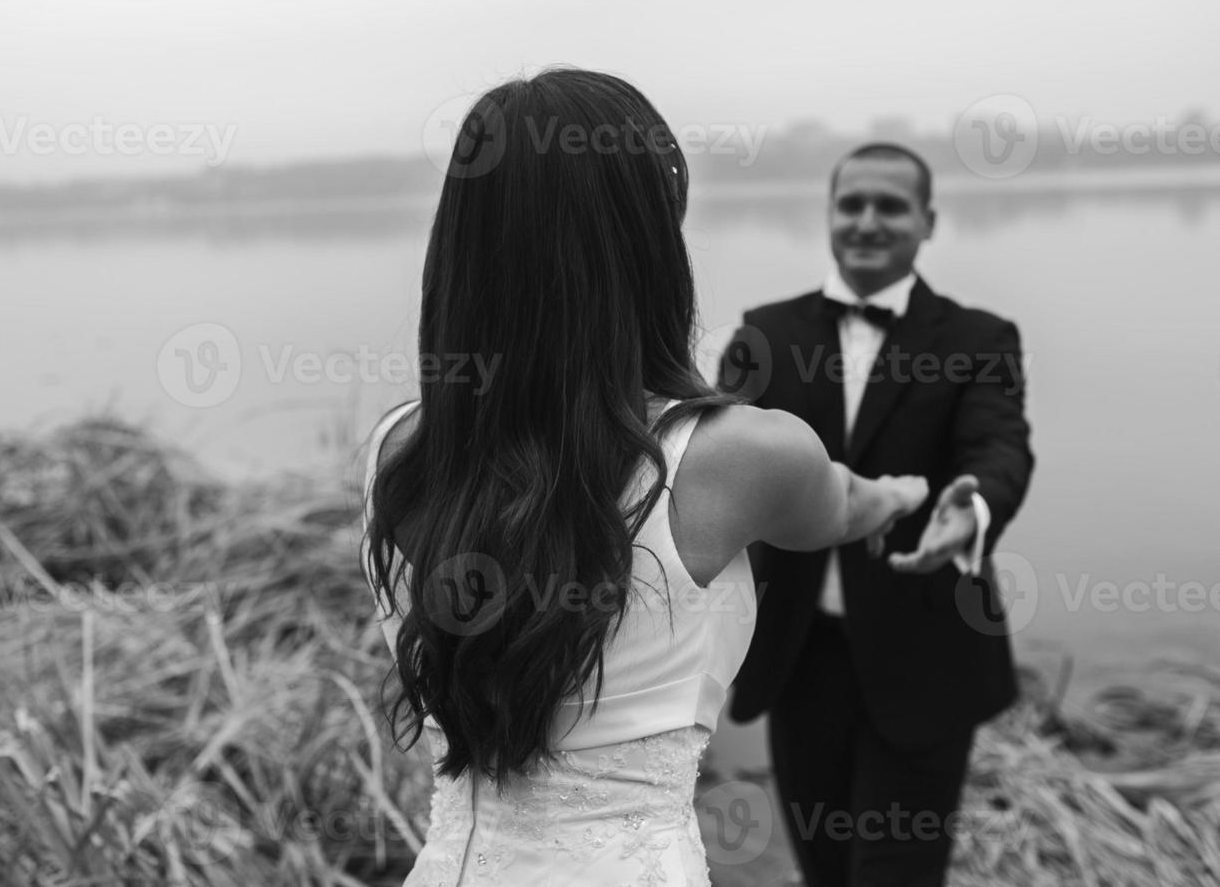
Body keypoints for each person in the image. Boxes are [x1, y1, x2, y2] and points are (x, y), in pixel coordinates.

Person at [360, 70, 930, 886]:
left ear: (462, 243)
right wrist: (909, 494)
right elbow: (846, 507)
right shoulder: (740, 455)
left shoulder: (395, 452)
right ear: (650, 243)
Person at [722, 142, 1036, 887]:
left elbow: (1000, 446)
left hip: (929, 655)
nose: (867, 221)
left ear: (928, 222)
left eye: (890, 206)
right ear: (829, 215)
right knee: (825, 870)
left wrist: (976, 502)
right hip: (799, 657)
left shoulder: (979, 339)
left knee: (898, 874)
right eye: (851, 203)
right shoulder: (766, 334)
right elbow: (711, 449)